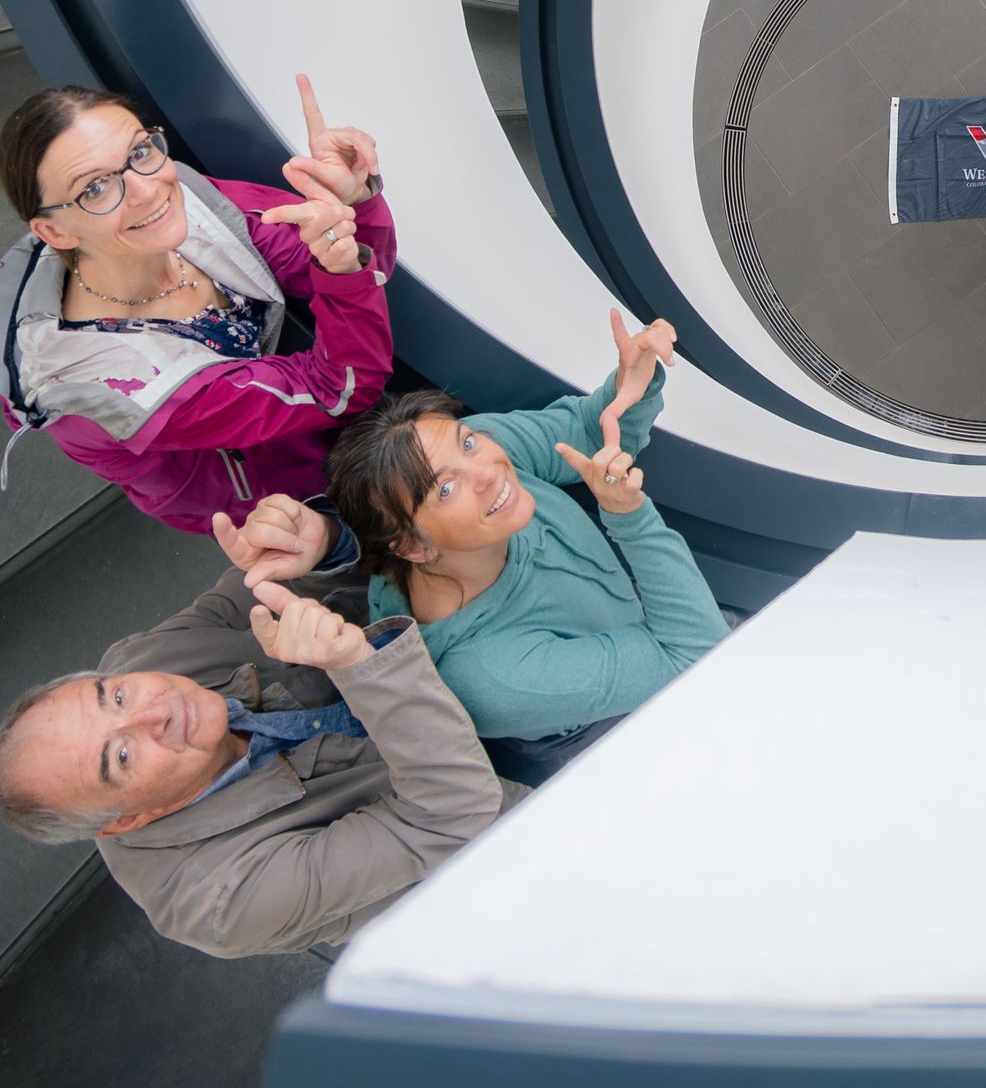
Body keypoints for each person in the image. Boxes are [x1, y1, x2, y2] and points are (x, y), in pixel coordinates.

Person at [0, 507, 515, 958]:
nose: (152, 713)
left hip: (464, 647)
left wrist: (319, 541)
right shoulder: (221, 902)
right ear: (128, 820)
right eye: (123, 756)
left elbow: (270, 586)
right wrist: (359, 663)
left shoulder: (139, 662)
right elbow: (455, 810)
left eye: (113, 697)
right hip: (520, 830)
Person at [327, 311, 729, 781]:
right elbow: (698, 655)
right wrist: (629, 518)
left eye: (469, 443)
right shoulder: (494, 675)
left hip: (649, 630)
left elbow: (582, 430)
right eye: (445, 490)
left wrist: (628, 389)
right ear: (413, 547)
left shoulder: (476, 458)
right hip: (604, 723)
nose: (488, 471)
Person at [0, 80, 395, 536]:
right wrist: (343, 271)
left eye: (140, 151)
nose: (146, 190)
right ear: (55, 233)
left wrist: (352, 203)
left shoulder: (188, 203)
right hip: (258, 496)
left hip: (292, 418)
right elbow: (341, 388)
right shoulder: (129, 389)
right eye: (95, 189)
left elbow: (360, 271)